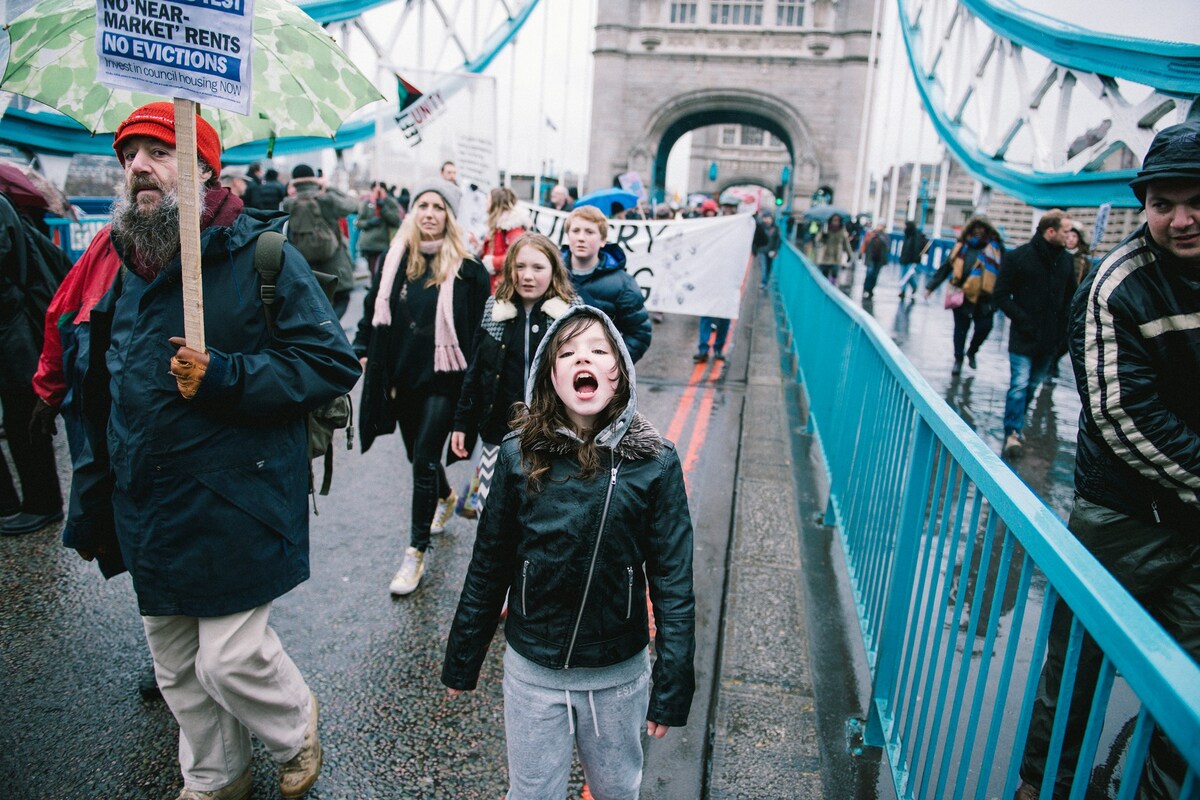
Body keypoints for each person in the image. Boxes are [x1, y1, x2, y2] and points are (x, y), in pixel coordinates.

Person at [55, 101, 360, 800]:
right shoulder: (119, 261)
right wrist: (93, 489)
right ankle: (216, 776)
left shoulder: (260, 253)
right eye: (129, 154)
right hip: (149, 497)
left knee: (230, 658)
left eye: (158, 152)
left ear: (204, 168)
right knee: (177, 667)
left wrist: (224, 375)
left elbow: (329, 361)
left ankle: (294, 727)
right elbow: (101, 380)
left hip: (236, 493)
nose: (137, 167)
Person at [441, 304, 697, 800]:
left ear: (618, 374)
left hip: (618, 675)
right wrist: (462, 659)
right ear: (550, 377)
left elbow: (673, 581)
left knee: (619, 788)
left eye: (600, 350)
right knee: (532, 791)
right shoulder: (518, 455)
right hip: (533, 670)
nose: (585, 358)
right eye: (569, 351)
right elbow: (488, 566)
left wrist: (671, 682)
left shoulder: (655, 463)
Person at [1016, 120, 1200, 800]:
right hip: (1123, 519)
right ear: (1144, 205)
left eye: (1196, 202)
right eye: (1163, 203)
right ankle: (1042, 791)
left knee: (1190, 697)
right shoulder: (1116, 285)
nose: (1181, 219)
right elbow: (1125, 416)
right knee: (1074, 682)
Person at [355, 178, 490, 596]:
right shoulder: (395, 262)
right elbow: (370, 312)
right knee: (420, 456)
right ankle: (445, 497)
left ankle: (415, 552)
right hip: (401, 377)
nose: (429, 213)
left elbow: (482, 335)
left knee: (423, 461)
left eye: (438, 207)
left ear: (450, 216)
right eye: (423, 205)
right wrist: (361, 348)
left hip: (445, 382)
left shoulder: (470, 271)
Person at [450, 232, 576, 517]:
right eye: (519, 267)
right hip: (498, 432)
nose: (527, 276)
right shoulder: (494, 310)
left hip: (554, 436)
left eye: (538, 268)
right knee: (491, 515)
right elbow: (476, 371)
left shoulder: (570, 314)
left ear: (554, 270)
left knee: (543, 516)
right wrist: (461, 422)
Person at [0, 186, 70, 536]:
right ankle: (14, 503)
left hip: (14, 332)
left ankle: (42, 504)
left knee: (23, 417)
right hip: (12, 330)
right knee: (20, 416)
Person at [993, 209, 1075, 457]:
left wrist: (1064, 333)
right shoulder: (1018, 257)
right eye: (1066, 231)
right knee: (1019, 385)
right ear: (1050, 231)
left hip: (1050, 341)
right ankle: (1013, 433)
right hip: (1023, 336)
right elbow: (1000, 295)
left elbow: (1072, 298)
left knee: (1030, 387)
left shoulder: (1066, 261)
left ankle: (1016, 424)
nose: (1069, 236)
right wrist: (1023, 321)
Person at [559, 205, 652, 363]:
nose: (581, 237)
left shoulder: (624, 284)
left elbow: (639, 334)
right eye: (576, 231)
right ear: (568, 236)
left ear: (603, 240)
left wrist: (611, 364)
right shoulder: (550, 275)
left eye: (589, 232)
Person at [924, 216, 1005, 375]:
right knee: (960, 330)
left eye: (982, 229)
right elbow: (946, 267)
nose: (979, 232)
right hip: (962, 295)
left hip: (985, 298)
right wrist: (930, 287)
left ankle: (972, 351)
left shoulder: (996, 248)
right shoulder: (961, 246)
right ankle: (958, 359)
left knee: (984, 328)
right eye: (976, 229)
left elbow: (1005, 273)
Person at [282, 164, 359, 319]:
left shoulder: (289, 203)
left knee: (313, 303)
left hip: (305, 265)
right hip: (334, 262)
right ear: (314, 179)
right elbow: (353, 205)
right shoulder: (326, 199)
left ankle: (320, 330)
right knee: (341, 298)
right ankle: (330, 328)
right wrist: (329, 187)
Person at [479, 186, 530, 293]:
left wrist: (493, 262)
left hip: (503, 285)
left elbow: (518, 255)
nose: (485, 203)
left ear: (496, 203)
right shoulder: (499, 225)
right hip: (496, 283)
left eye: (488, 200)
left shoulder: (512, 226)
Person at [355, 180, 402, 278]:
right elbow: (359, 222)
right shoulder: (367, 203)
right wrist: (368, 223)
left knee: (383, 273)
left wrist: (383, 208)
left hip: (384, 244)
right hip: (369, 245)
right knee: (374, 273)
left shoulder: (390, 202)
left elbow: (396, 220)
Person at [813, 213, 855, 284]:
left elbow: (846, 244)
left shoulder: (842, 231)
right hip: (825, 256)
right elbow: (817, 240)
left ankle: (832, 286)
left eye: (837, 220)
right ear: (831, 221)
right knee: (823, 276)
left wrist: (849, 255)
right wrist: (823, 236)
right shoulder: (825, 229)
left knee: (834, 275)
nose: (836, 222)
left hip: (836, 257)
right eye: (834, 220)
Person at [897, 220, 929, 301]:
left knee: (906, 275)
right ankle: (913, 287)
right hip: (905, 258)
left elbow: (916, 248)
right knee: (906, 275)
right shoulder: (907, 234)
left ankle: (903, 291)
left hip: (911, 259)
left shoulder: (916, 235)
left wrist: (916, 259)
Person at [861, 223, 890, 300]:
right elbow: (865, 243)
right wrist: (861, 253)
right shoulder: (871, 234)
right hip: (871, 258)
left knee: (875, 275)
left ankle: (871, 290)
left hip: (879, 259)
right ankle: (866, 288)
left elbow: (887, 247)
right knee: (869, 273)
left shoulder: (885, 237)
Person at [756, 210, 782, 290]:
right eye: (764, 218)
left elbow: (778, 240)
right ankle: (763, 282)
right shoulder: (760, 227)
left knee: (768, 267)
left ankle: (766, 282)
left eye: (768, 218)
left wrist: (775, 250)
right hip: (761, 250)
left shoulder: (776, 228)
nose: (766, 219)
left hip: (771, 251)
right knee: (763, 267)